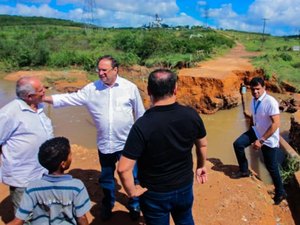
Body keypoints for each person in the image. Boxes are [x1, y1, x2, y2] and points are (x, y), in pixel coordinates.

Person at [43, 55, 145, 221]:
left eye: (104, 70)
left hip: (127, 143)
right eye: (99, 69)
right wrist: (44, 98)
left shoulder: (130, 88)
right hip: (105, 143)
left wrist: (142, 142)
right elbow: (69, 98)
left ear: (115, 70)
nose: (100, 73)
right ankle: (108, 203)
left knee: (133, 175)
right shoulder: (91, 89)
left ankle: (134, 202)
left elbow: (140, 115)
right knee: (106, 177)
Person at [117, 69, 208, 225]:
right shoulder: (191, 115)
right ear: (175, 89)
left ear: (149, 91)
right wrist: (201, 166)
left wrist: (132, 192)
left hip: (154, 192)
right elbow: (202, 144)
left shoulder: (142, 125)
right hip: (184, 186)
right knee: (185, 219)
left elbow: (123, 168)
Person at [7, 137, 91, 225]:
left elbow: (19, 220)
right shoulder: (76, 187)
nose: (71, 157)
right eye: (70, 154)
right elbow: (81, 218)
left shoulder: (32, 188)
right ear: (63, 164)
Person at [0, 76, 53, 214]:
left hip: (42, 171)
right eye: (41, 90)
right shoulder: (8, 113)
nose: (44, 92)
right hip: (23, 176)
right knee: (25, 214)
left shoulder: (39, 106)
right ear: (29, 96)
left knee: (42, 209)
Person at [233, 76, 286, 205]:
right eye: (253, 89)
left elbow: (276, 124)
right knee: (238, 144)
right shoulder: (254, 100)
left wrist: (261, 140)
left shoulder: (271, 102)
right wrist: (251, 130)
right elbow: (253, 116)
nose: (255, 92)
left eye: (258, 89)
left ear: (264, 88)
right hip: (256, 131)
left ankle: (281, 192)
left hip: (268, 138)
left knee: (271, 166)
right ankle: (244, 170)